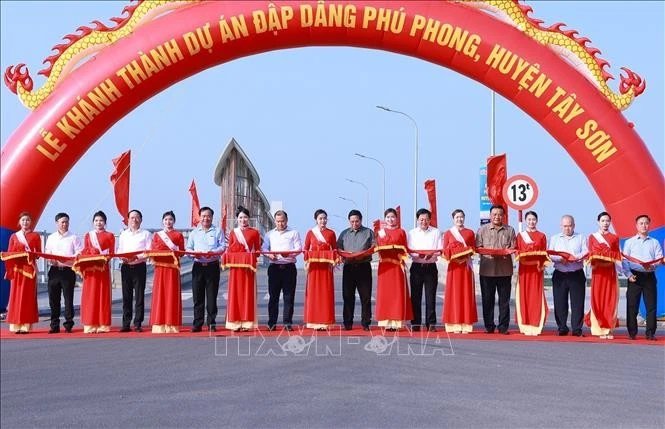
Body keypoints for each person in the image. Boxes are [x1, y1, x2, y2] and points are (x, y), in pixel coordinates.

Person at [476, 204, 516, 335]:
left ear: (503, 216)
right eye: (494, 214)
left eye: (499, 214)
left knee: (504, 301)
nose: (497, 217)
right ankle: (489, 326)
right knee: (487, 300)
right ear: (490, 216)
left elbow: (513, 247)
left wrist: (505, 252)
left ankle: (503, 327)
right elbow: (477, 247)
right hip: (487, 269)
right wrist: (488, 252)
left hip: (504, 270)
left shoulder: (510, 230)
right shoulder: (482, 230)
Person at [621, 214, 663, 340]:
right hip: (635, 276)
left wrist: (653, 266)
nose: (644, 225)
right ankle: (632, 333)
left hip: (649, 275)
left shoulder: (654, 242)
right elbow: (624, 260)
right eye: (641, 223)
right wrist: (629, 275)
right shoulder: (630, 242)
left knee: (651, 306)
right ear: (636, 225)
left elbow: (659, 258)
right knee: (632, 305)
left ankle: (650, 333)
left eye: (646, 223)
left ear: (649, 225)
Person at [185, 206, 225, 332]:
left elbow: (222, 246)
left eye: (208, 216)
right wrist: (194, 253)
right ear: (199, 217)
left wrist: (212, 252)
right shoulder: (194, 233)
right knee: (197, 296)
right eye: (203, 216)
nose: (206, 218)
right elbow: (188, 248)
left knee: (212, 296)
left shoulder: (217, 231)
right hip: (198, 267)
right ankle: (197, 323)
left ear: (212, 217)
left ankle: (211, 323)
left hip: (212, 266)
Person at [548, 214, 587, 337]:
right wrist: (560, 259)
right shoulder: (554, 238)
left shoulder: (581, 237)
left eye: (569, 226)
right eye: (565, 226)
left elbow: (586, 251)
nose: (567, 229)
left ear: (574, 225)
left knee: (578, 303)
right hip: (560, 273)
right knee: (559, 303)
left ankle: (577, 329)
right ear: (561, 226)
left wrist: (575, 258)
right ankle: (562, 327)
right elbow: (549, 254)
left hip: (576, 274)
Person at [75, 211, 115, 334]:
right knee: (90, 295)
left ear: (105, 223)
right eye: (96, 221)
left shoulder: (110, 235)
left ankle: (103, 324)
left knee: (103, 295)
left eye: (101, 220)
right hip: (90, 270)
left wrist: (101, 258)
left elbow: (111, 253)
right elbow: (86, 250)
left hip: (102, 268)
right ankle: (90, 324)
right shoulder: (88, 235)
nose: (99, 223)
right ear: (93, 223)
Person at [262, 210, 301, 332]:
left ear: (286, 220)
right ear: (275, 221)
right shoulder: (269, 234)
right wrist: (269, 255)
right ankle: (272, 323)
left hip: (289, 267)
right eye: (278, 221)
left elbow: (298, 248)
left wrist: (289, 254)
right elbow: (264, 248)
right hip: (274, 268)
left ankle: (287, 322)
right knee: (273, 297)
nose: (280, 223)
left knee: (289, 297)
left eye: (282, 221)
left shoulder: (294, 233)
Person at [2, 212, 41, 334]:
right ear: (20, 222)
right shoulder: (14, 236)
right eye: (23, 220)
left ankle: (26, 325)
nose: (25, 222)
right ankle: (15, 325)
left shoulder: (35, 236)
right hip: (17, 270)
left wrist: (29, 254)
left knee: (27, 297)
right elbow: (9, 252)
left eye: (28, 220)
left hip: (29, 270)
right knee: (16, 296)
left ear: (31, 222)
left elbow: (38, 254)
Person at [224, 206, 261, 332]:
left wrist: (249, 256)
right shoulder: (233, 233)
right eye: (240, 217)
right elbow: (229, 250)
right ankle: (234, 322)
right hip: (235, 269)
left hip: (248, 269)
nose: (243, 220)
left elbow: (258, 250)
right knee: (235, 294)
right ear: (237, 219)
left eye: (245, 217)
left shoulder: (255, 232)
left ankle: (247, 322)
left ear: (249, 218)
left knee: (248, 294)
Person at [44, 212, 82, 334]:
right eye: (62, 222)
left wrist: (68, 259)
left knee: (68, 298)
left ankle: (68, 324)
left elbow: (79, 253)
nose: (65, 224)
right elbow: (47, 252)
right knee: (53, 299)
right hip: (54, 271)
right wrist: (51, 260)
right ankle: (54, 325)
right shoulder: (51, 238)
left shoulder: (74, 237)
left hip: (68, 271)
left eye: (66, 222)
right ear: (57, 223)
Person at [375, 208, 413, 331]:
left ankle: (397, 321)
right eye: (388, 217)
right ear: (384, 219)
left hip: (397, 266)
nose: (390, 219)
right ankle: (385, 321)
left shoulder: (401, 232)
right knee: (385, 294)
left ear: (396, 218)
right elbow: (378, 248)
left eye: (392, 217)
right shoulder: (380, 233)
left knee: (397, 294)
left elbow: (406, 249)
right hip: (385, 267)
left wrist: (401, 255)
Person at [585, 211, 621, 339]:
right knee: (598, 299)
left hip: (610, 273)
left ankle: (608, 328)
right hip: (598, 272)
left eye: (607, 221)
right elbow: (590, 254)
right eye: (603, 221)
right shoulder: (592, 237)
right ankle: (598, 328)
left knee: (609, 300)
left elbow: (617, 255)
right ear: (598, 222)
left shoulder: (614, 238)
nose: (605, 223)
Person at [337, 209, 375, 331]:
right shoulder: (344, 234)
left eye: (357, 221)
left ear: (361, 220)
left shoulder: (368, 232)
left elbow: (374, 247)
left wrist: (363, 254)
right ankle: (348, 323)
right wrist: (343, 255)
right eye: (352, 221)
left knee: (366, 296)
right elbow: (338, 248)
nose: (354, 224)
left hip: (363, 267)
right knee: (348, 296)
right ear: (349, 221)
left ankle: (365, 323)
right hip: (348, 267)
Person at [149, 211, 185, 334]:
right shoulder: (157, 235)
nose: (168, 222)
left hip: (172, 268)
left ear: (174, 221)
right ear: (162, 221)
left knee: (172, 294)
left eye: (170, 219)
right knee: (160, 294)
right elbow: (153, 250)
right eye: (166, 219)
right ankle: (159, 324)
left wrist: (172, 251)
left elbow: (182, 252)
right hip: (159, 268)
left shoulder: (178, 235)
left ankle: (172, 324)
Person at [442, 209, 477, 334]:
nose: (459, 219)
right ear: (453, 219)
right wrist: (452, 252)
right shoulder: (448, 233)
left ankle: (466, 324)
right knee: (454, 294)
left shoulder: (470, 233)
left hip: (466, 267)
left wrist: (465, 251)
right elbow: (444, 251)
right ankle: (453, 323)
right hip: (454, 268)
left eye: (461, 217)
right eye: (457, 217)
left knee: (466, 293)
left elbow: (474, 248)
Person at [515, 211, 549, 336]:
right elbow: (517, 252)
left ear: (537, 220)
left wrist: (541, 265)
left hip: (536, 270)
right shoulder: (520, 236)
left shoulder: (541, 236)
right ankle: (524, 325)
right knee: (524, 296)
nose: (531, 222)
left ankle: (536, 324)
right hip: (524, 271)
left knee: (536, 296)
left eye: (533, 219)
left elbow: (545, 253)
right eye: (529, 219)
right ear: (525, 221)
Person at [407, 208, 442, 332]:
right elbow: (409, 250)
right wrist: (418, 255)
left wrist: (431, 255)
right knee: (416, 296)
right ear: (417, 220)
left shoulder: (436, 232)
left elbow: (439, 249)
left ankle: (431, 323)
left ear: (430, 220)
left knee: (430, 296)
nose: (424, 221)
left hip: (430, 267)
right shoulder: (412, 233)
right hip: (417, 267)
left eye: (426, 219)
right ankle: (415, 323)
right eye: (421, 219)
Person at [117, 209, 152, 333]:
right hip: (126, 267)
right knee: (126, 296)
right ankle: (126, 323)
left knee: (139, 296)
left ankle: (138, 323)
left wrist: (137, 257)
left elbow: (149, 251)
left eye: (137, 217)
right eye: (132, 218)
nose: (134, 220)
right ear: (128, 220)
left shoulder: (146, 234)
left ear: (141, 220)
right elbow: (120, 249)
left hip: (139, 266)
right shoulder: (123, 234)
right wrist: (122, 258)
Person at [303, 209, 337, 330]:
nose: (323, 221)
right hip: (314, 268)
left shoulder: (331, 233)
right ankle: (313, 321)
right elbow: (305, 250)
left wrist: (334, 259)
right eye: (320, 218)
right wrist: (308, 259)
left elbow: (335, 249)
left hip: (326, 268)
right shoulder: (310, 233)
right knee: (314, 293)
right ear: (316, 220)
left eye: (324, 218)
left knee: (326, 293)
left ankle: (326, 321)